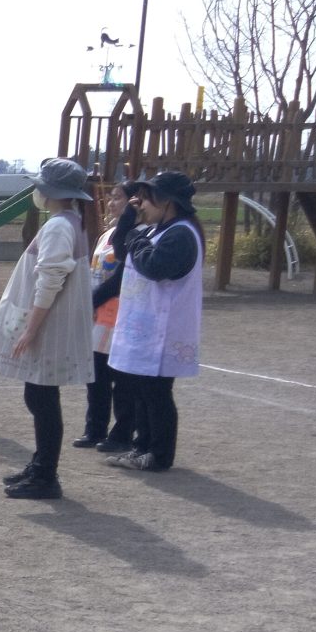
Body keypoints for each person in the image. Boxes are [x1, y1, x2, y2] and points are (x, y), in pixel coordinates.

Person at [0, 158, 96, 500]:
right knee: (40, 396)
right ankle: (40, 465)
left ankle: (46, 474)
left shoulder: (60, 226)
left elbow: (50, 278)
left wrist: (31, 328)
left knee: (42, 397)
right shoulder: (69, 222)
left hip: (50, 324)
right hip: (51, 321)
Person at [106, 171, 204, 473]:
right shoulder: (155, 230)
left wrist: (136, 237)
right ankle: (142, 447)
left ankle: (159, 454)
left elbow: (154, 267)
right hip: (144, 329)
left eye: (147, 199)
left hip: (163, 330)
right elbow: (122, 250)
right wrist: (128, 221)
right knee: (141, 392)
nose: (141, 204)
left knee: (156, 394)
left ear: (166, 201)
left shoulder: (181, 234)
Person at [77, 182, 139, 453]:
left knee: (123, 381)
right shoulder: (106, 235)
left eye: (118, 198)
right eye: (111, 198)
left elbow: (121, 279)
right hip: (98, 319)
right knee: (96, 377)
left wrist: (92, 299)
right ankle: (95, 429)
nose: (112, 203)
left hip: (121, 319)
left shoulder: (137, 235)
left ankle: (122, 434)